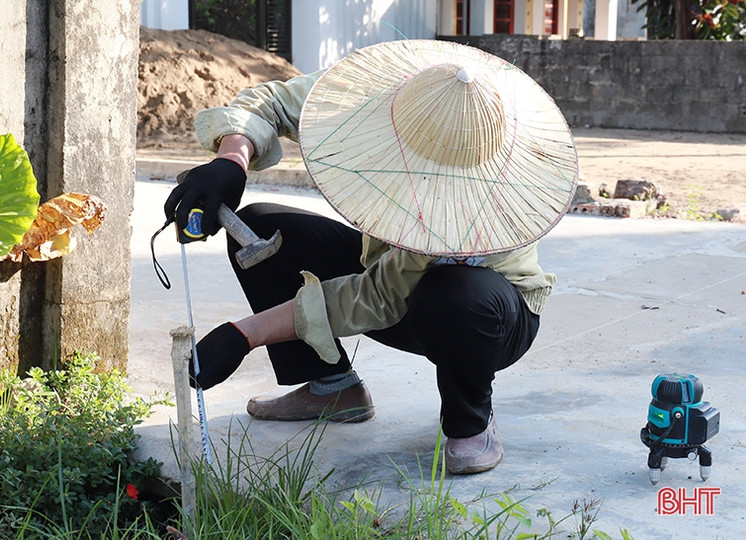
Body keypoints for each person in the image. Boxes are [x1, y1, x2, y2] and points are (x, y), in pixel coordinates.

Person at [163, 39, 579, 475]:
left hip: (488, 315)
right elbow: (274, 102)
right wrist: (232, 160)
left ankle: (470, 420)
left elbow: (377, 297)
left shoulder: (480, 197)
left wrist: (243, 335)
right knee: (261, 230)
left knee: (457, 296)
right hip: (392, 272)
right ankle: (333, 387)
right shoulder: (387, 100)